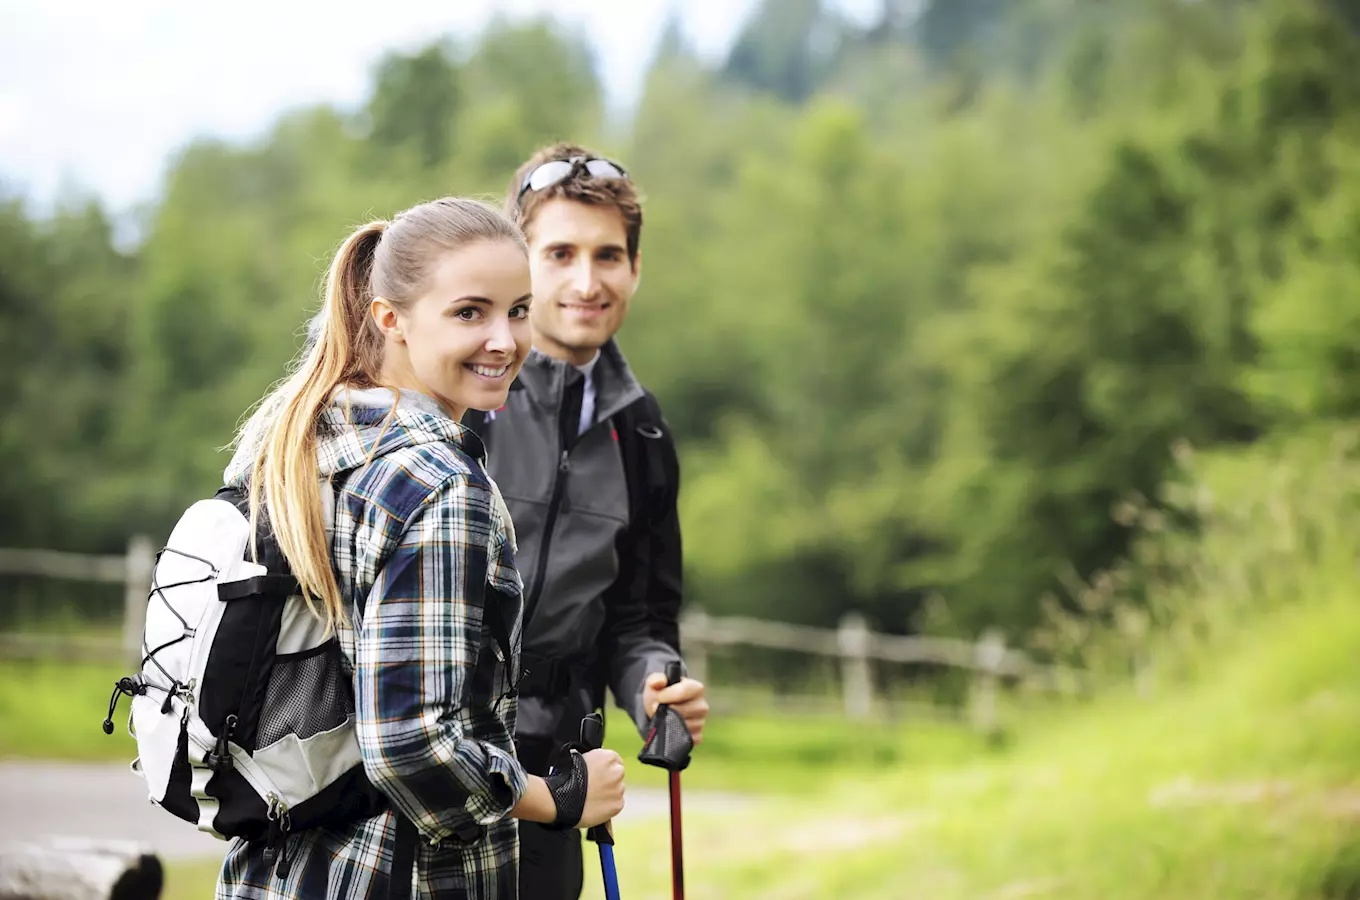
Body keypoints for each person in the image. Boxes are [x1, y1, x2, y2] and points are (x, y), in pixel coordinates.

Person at [215, 197, 625, 900]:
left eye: (519, 310)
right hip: (395, 878)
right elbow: (413, 748)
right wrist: (557, 798)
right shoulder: (438, 487)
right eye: (470, 313)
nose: (505, 340)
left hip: (273, 873)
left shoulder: (299, 443)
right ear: (390, 318)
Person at [459, 145, 709, 898]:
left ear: (635, 269)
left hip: (559, 780)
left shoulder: (643, 433)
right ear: (518, 260)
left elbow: (638, 618)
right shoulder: (461, 394)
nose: (585, 281)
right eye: (559, 253)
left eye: (608, 256)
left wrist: (654, 689)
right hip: (436, 761)